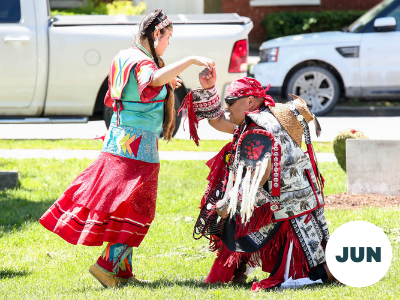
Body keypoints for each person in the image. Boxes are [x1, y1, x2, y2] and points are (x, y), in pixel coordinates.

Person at [39, 9, 215, 289]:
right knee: (138, 209)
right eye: (167, 37)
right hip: (138, 146)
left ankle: (122, 272)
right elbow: (151, 80)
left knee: (125, 206)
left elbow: (126, 92)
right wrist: (190, 61)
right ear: (156, 34)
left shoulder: (123, 56)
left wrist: (165, 80)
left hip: (119, 139)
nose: (168, 43)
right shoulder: (144, 63)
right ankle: (107, 265)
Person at [184, 68, 336, 291]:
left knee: (233, 217)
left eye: (230, 100)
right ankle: (239, 269)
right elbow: (217, 121)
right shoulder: (260, 118)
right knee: (235, 215)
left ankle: (243, 268)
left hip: (287, 206)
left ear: (250, 102)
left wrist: (229, 201)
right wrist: (209, 89)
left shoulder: (258, 127)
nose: (226, 106)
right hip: (296, 199)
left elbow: (260, 173)